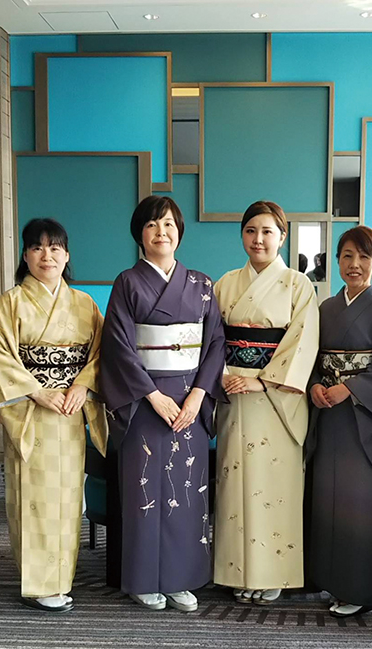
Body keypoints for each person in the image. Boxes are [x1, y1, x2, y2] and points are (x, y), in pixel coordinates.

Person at [100, 196, 225, 613]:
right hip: (143, 400)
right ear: (140, 233)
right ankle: (142, 580)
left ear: (180, 232)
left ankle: (180, 579)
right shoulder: (127, 282)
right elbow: (118, 345)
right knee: (144, 490)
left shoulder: (202, 284)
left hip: (189, 402)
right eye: (152, 225)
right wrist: (151, 395)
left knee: (186, 490)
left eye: (169, 224)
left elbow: (215, 343)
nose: (162, 232)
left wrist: (199, 395)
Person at [0, 218, 107, 613]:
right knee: (34, 496)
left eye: (55, 247)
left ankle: (61, 577)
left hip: (70, 410)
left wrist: (83, 386)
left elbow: (101, 354)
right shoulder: (11, 303)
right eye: (37, 247)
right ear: (25, 255)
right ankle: (39, 583)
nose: (47, 255)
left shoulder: (84, 304)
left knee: (67, 496)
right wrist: (37, 391)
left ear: (67, 255)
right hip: (30, 411)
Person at [213, 200, 319, 605]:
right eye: (251, 231)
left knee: (273, 483)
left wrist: (262, 381)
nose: (258, 239)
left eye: (267, 231)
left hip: (275, 398)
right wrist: (223, 374)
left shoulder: (298, 285)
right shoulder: (225, 283)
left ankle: (273, 572)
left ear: (282, 237)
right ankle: (236, 571)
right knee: (234, 481)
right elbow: (212, 339)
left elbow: (303, 341)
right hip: (233, 392)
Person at [308, 226, 372, 617]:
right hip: (329, 417)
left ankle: (359, 590)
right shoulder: (325, 309)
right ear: (336, 261)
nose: (355, 264)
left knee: (359, 502)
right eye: (347, 255)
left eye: (364, 257)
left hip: (365, 419)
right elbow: (311, 358)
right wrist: (316, 385)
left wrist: (348, 389)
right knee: (328, 499)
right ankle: (331, 581)